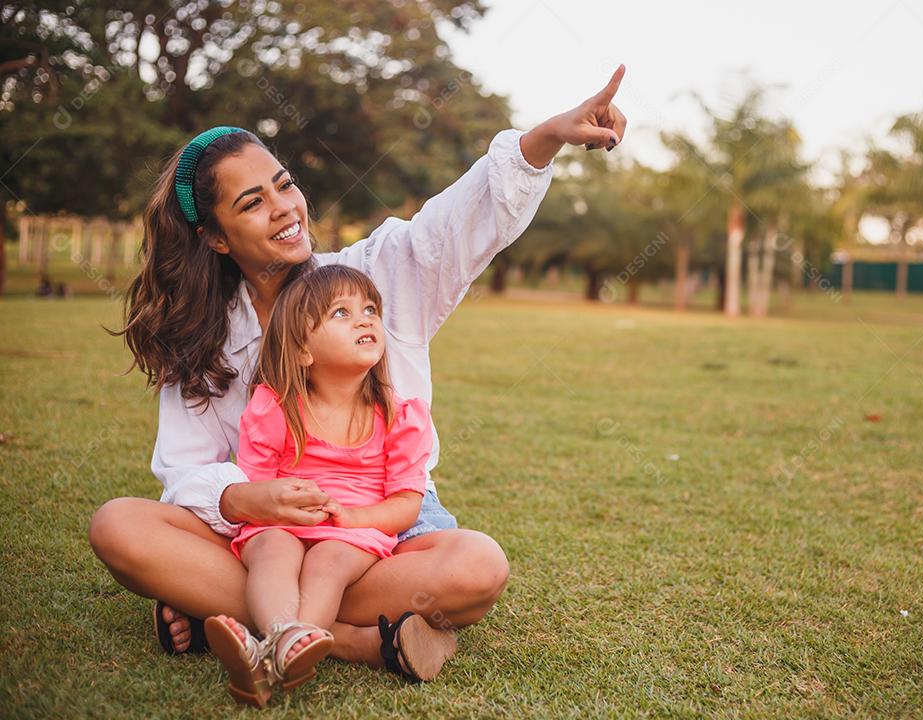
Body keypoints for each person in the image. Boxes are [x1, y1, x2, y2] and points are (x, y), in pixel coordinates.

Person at [87, 65, 628, 681]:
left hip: (382, 522)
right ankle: (355, 640)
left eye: (284, 184)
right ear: (213, 237)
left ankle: (236, 616)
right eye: (252, 202)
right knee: (119, 526)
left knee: (476, 569)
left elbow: (456, 222)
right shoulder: (203, 338)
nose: (285, 208)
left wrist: (549, 136)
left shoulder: (377, 272)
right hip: (269, 526)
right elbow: (185, 475)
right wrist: (248, 496)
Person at [207, 265, 451, 707]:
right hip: (281, 520)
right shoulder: (276, 406)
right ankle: (286, 641)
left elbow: (406, 505)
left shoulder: (401, 415)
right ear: (302, 349)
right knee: (271, 551)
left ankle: (274, 654)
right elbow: (256, 484)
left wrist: (354, 518)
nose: (364, 320)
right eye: (342, 312)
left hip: (354, 528)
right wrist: (273, 511)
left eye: (370, 309)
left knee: (328, 562)